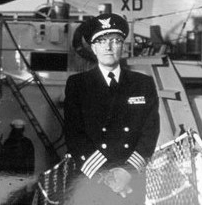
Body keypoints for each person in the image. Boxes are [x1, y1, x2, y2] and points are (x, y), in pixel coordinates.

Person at [63, 13, 160, 204]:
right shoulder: (78, 84)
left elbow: (150, 132)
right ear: (93, 47)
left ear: (122, 46)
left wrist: (127, 172)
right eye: (101, 41)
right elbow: (74, 134)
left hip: (130, 179)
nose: (108, 47)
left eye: (115, 40)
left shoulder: (143, 84)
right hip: (92, 178)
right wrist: (106, 175)